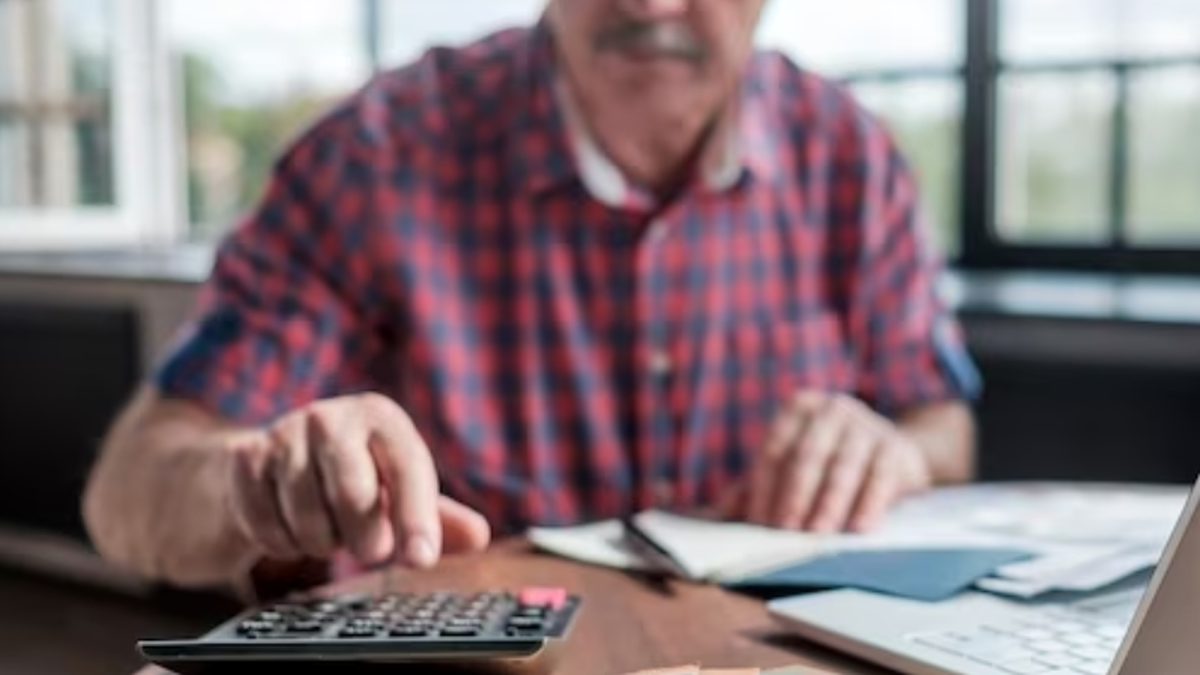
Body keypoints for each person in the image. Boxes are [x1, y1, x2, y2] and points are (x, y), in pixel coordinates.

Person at [83, 0, 981, 597]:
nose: (650, 2)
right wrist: (260, 481)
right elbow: (130, 488)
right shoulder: (374, 155)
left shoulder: (850, 155)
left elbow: (943, 426)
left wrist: (897, 449)